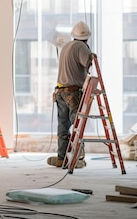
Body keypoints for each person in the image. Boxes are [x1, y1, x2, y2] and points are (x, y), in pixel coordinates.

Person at [48, 21, 93, 168]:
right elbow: (89, 63)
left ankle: (61, 157)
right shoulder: (81, 47)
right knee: (77, 126)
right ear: (87, 37)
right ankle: (77, 158)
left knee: (63, 126)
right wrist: (92, 57)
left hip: (60, 91)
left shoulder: (66, 46)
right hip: (73, 93)